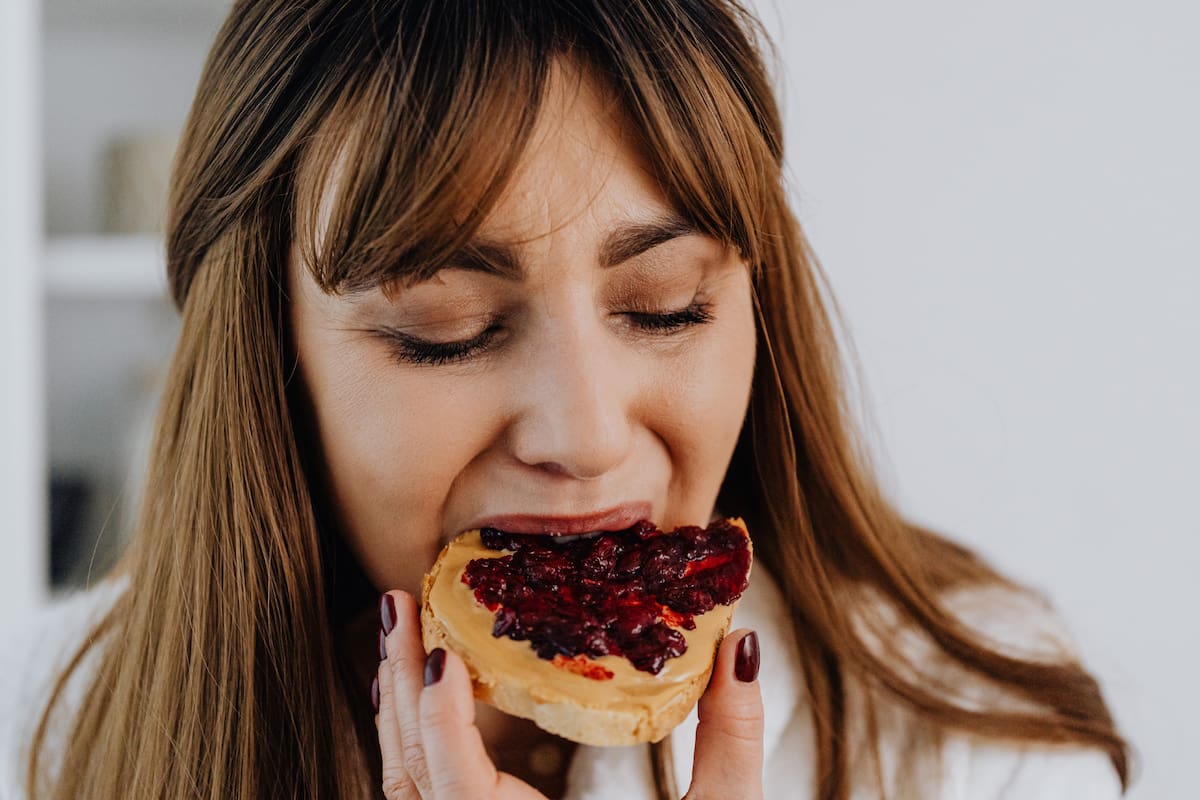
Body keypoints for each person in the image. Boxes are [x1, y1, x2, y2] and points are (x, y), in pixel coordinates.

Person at [3, 1, 1131, 798]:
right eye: (447, 328)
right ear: (262, 352)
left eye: (666, 306)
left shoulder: (974, 740)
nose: (587, 436)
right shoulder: (32, 734)